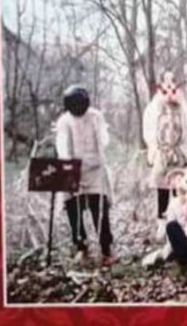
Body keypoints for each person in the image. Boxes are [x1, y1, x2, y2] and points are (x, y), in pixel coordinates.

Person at [55, 85, 116, 265]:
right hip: (73, 169)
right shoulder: (64, 121)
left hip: (95, 169)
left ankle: (106, 248)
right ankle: (81, 246)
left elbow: (104, 139)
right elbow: (62, 144)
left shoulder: (95, 116)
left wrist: (100, 135)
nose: (78, 108)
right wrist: (68, 165)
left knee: (100, 209)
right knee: (73, 209)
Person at [142, 71, 187, 241]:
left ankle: (180, 222)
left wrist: (183, 148)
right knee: (162, 189)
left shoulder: (182, 107)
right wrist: (155, 149)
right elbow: (149, 128)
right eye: (165, 88)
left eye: (173, 88)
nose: (169, 93)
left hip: (178, 153)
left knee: (179, 189)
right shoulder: (154, 107)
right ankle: (162, 224)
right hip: (162, 153)